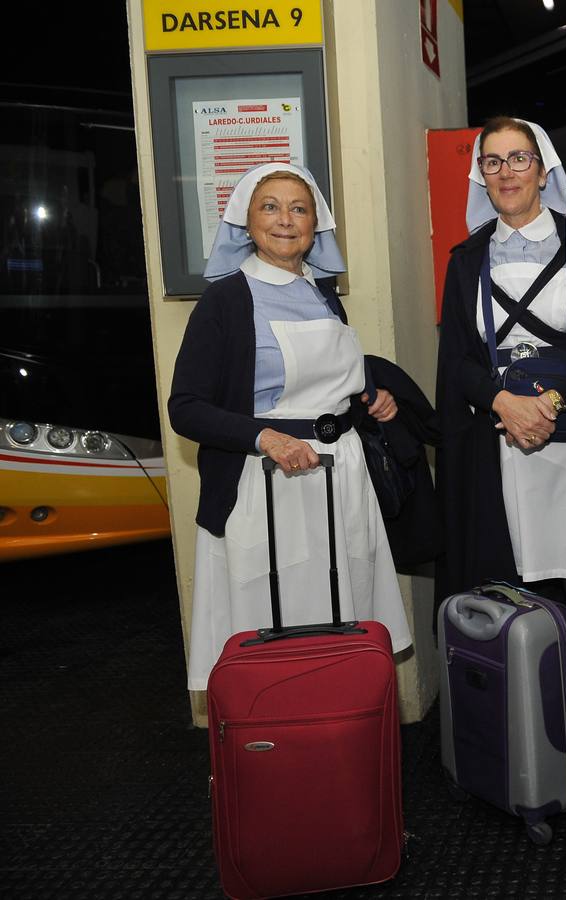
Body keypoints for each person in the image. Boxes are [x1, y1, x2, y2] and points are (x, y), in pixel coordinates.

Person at [169, 163, 412, 690]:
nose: (285, 220)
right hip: (265, 485)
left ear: (315, 223)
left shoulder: (326, 295)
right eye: (270, 207)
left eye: (298, 208)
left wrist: (368, 398)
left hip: (340, 479)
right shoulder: (225, 300)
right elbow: (185, 407)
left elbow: (327, 382)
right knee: (276, 625)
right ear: (246, 222)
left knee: (342, 621)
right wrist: (265, 437)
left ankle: (341, 735)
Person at [435, 117, 566, 609]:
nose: (506, 172)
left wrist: (549, 402)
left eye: (519, 159)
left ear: (543, 172)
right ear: (481, 175)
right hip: (496, 437)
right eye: (493, 161)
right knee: (507, 584)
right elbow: (456, 359)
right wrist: (502, 401)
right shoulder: (466, 259)